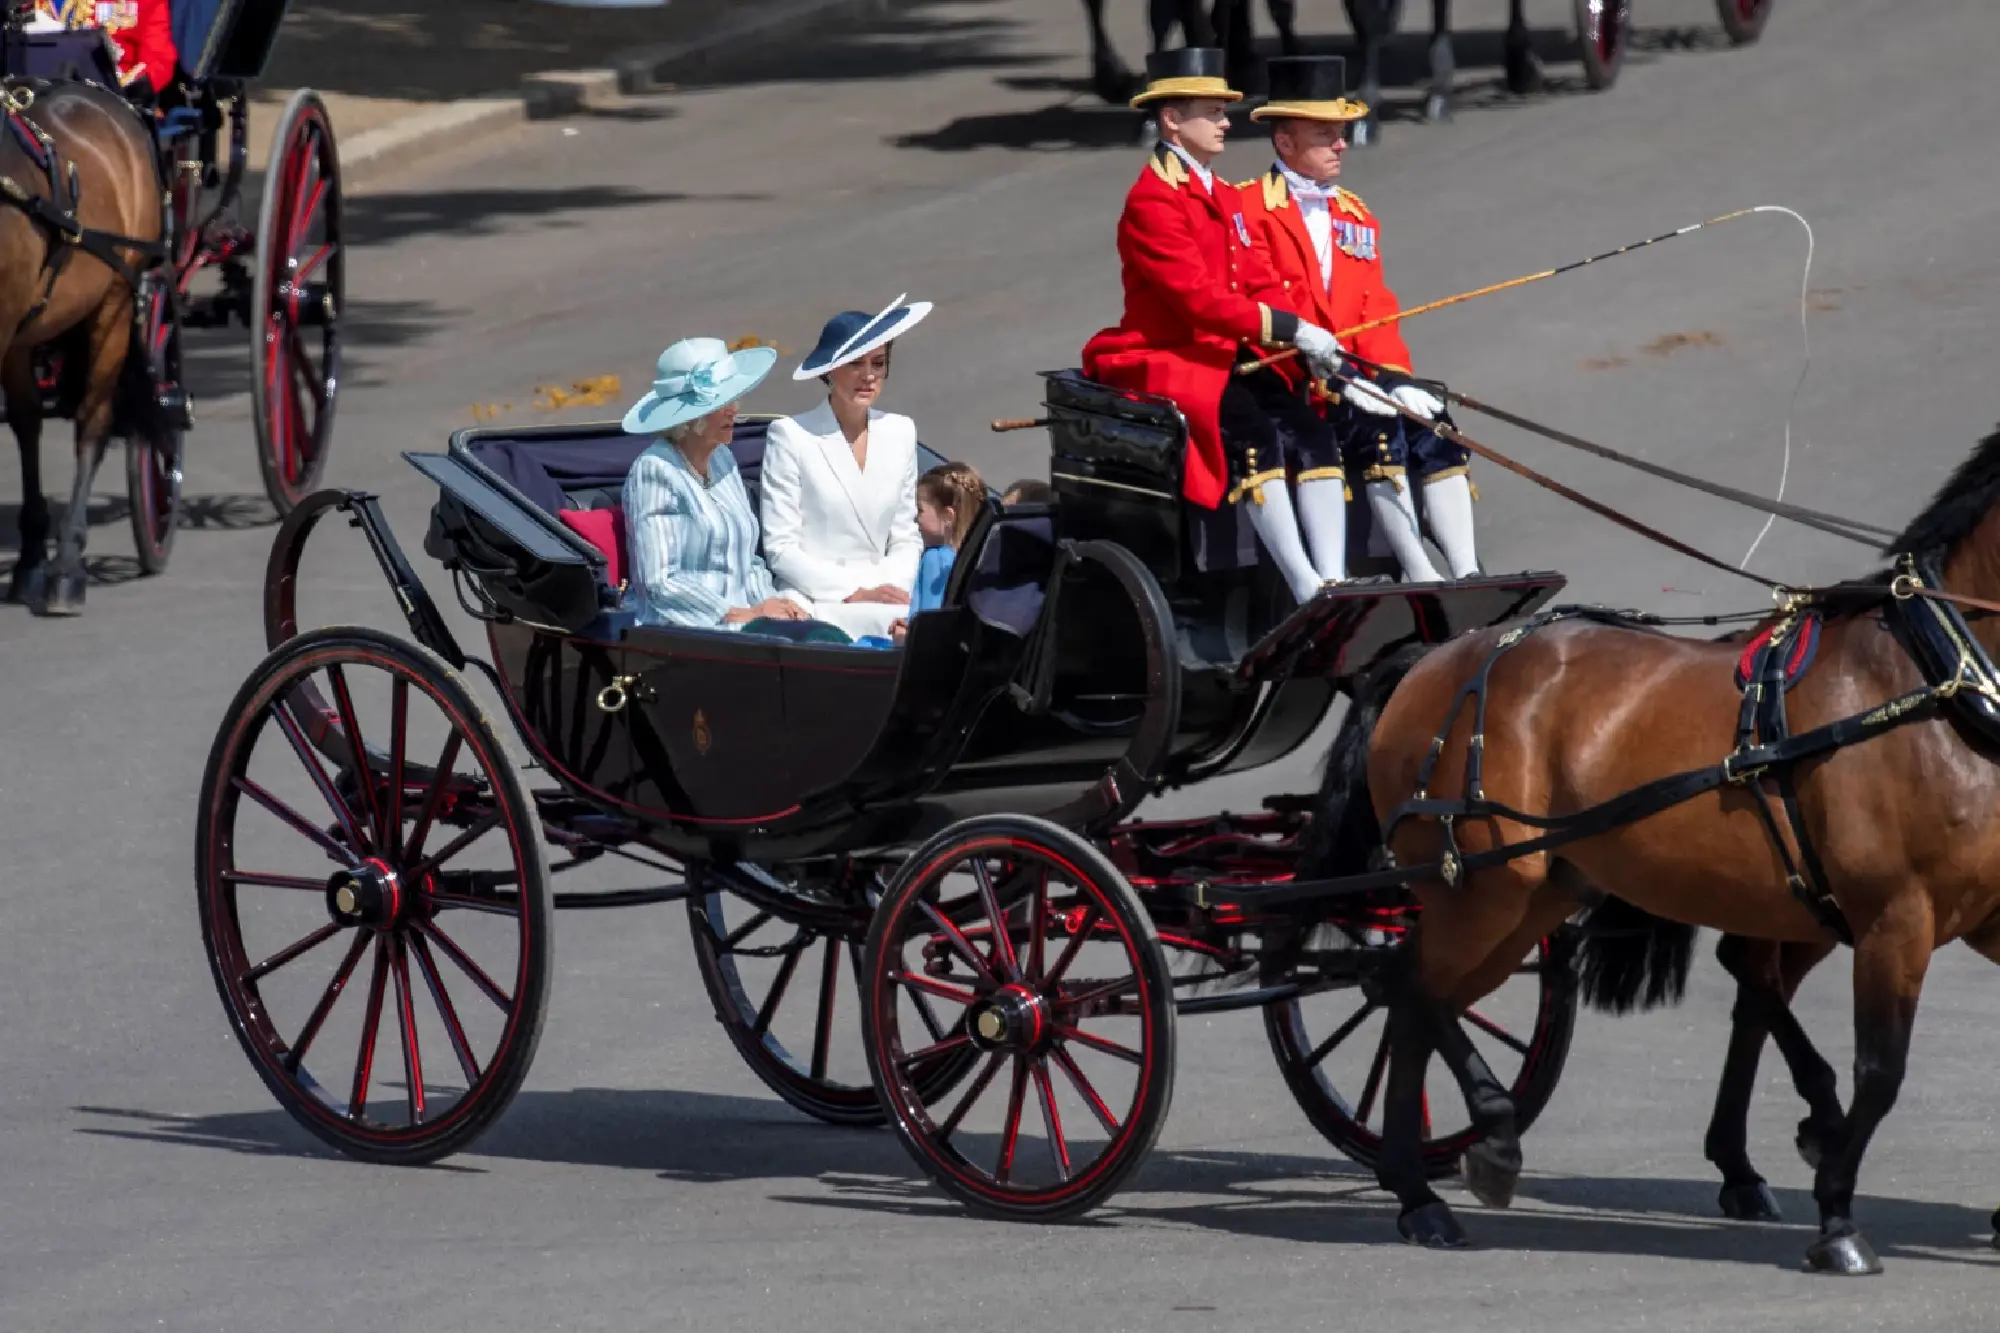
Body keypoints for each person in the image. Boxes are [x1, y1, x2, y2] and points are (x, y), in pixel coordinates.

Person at [1079, 46, 1353, 606]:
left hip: (1231, 353)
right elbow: (1197, 301)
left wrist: (1302, 334)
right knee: (1253, 436)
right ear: (1172, 120)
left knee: (1313, 430)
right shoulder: (1151, 201)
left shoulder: (1224, 195)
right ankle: (1305, 585)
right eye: (1213, 111)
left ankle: (1334, 579)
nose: (1227, 122)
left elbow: (1257, 278)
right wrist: (1290, 330)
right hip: (1176, 356)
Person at [1239, 55, 1478, 582]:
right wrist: (1338, 379)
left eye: (1341, 132)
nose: (1342, 144)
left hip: (1354, 375)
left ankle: (1465, 572)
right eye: (1326, 135)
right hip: (1291, 382)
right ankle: (1420, 574)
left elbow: (1375, 307)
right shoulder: (1248, 210)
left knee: (1435, 424)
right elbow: (1266, 306)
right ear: (1285, 143)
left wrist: (1393, 376)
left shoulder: (1355, 214)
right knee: (1381, 429)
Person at [760, 295, 930, 640]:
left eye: (878, 363)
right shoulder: (791, 436)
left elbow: (905, 536)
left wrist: (887, 587)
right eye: (856, 363)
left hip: (889, 595)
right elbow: (780, 547)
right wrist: (854, 591)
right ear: (830, 370)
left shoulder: (900, 431)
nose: (868, 376)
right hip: (816, 598)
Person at [620, 337, 810, 631]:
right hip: (684, 626)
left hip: (743, 619)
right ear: (689, 417)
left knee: (819, 633)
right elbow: (659, 581)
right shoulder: (654, 471)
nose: (733, 409)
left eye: (733, 398)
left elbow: (749, 563)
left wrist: (773, 604)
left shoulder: (723, 459)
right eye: (721, 403)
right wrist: (735, 613)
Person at [891, 461, 985, 644]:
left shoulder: (935, 559)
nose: (916, 518)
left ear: (948, 516)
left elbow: (929, 636)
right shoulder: (979, 558)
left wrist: (903, 636)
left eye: (920, 510)